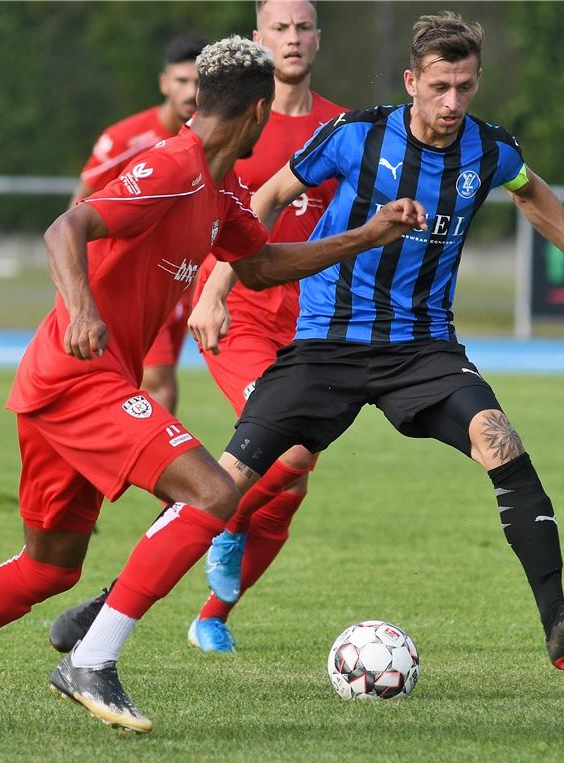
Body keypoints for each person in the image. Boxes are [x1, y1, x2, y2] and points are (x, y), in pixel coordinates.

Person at [0, 35, 428, 734]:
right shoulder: (174, 165)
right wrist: (82, 310)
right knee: (213, 492)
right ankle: (92, 661)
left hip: (63, 385)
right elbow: (67, 227)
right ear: (260, 111)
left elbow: (261, 265)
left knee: (47, 570)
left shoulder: (220, 185)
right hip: (80, 376)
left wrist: (367, 234)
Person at [193, 12, 564, 671]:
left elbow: (531, 190)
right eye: (441, 87)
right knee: (228, 483)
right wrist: (218, 287)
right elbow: (268, 197)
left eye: (466, 87)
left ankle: (559, 623)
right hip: (326, 345)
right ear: (412, 81)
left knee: (500, 440)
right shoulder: (357, 135)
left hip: (422, 351)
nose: (453, 102)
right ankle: (113, 606)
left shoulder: (487, 150)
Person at [47, 0, 348, 655]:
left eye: (303, 28)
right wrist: (212, 291)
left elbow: (277, 233)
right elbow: (86, 217)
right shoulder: (220, 127)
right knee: (282, 451)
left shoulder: (341, 129)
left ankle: (211, 608)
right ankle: (163, 557)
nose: (292, 39)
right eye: (280, 28)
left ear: (319, 41)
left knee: (291, 479)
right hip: (234, 309)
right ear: (258, 39)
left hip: (312, 322)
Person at [71, 35, 207, 414]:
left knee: (142, 384)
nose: (191, 91)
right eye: (182, 81)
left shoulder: (213, 145)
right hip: (132, 283)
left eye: (199, 82)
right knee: (158, 385)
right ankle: (165, 469)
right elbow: (77, 209)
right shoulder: (124, 140)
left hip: (181, 284)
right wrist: (81, 295)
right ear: (164, 83)